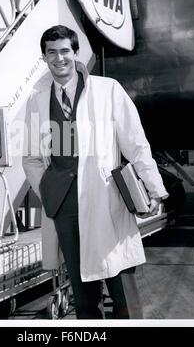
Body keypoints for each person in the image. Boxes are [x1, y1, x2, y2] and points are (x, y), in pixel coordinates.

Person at [22, 25, 168, 319]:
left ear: (75, 54)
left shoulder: (107, 89)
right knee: (83, 294)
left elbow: (136, 144)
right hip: (64, 207)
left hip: (104, 199)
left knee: (121, 286)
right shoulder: (37, 101)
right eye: (51, 52)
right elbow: (31, 159)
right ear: (44, 57)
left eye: (65, 51)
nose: (59, 58)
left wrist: (154, 188)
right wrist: (49, 191)